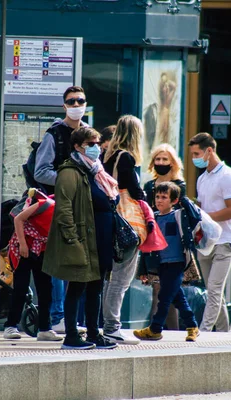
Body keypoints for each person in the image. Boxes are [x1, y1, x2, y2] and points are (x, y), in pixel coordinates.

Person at [43, 127, 119, 350]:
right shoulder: (70, 172)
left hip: (101, 239)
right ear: (77, 146)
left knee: (96, 287)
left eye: (97, 143)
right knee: (77, 286)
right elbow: (64, 210)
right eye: (91, 144)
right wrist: (73, 241)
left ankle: (94, 333)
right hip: (83, 240)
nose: (96, 148)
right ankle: (71, 336)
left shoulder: (96, 171)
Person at [34, 86, 88, 333]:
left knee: (80, 262)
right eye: (72, 101)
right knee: (58, 261)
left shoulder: (88, 133)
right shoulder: (54, 134)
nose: (77, 104)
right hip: (59, 204)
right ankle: (57, 316)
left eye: (81, 100)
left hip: (84, 208)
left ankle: (74, 318)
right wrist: (68, 180)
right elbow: (40, 171)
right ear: (64, 105)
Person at [189, 132, 231, 333]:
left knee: (214, 289)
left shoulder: (228, 176)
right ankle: (223, 333)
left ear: (209, 151)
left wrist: (206, 218)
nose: (194, 158)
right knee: (214, 292)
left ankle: (203, 331)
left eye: (196, 153)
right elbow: (200, 210)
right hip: (206, 242)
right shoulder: (202, 179)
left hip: (225, 240)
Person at [134, 182, 200, 342]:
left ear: (174, 201)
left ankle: (155, 329)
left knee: (164, 296)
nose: (159, 200)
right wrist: (143, 270)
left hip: (176, 263)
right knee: (177, 297)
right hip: (160, 263)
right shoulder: (153, 217)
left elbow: (195, 217)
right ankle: (192, 326)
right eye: (157, 196)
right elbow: (147, 246)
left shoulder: (179, 215)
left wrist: (184, 199)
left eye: (164, 197)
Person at [102, 115, 146, 345]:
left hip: (109, 219)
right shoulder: (126, 158)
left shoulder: (106, 155)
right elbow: (135, 191)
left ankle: (108, 325)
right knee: (121, 278)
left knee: (110, 278)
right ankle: (112, 327)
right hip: (126, 223)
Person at [3, 189, 61, 342]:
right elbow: (18, 219)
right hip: (25, 247)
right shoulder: (46, 205)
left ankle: (44, 328)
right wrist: (22, 244)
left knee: (45, 289)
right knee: (20, 287)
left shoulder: (66, 213)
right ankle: (10, 326)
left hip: (42, 249)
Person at [142, 143, 186, 330]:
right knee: (159, 288)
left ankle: (163, 329)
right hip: (152, 239)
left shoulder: (179, 186)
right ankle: (159, 328)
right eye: (158, 159)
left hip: (171, 242)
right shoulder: (149, 186)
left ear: (173, 163)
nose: (161, 162)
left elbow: (183, 215)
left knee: (166, 290)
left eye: (165, 159)